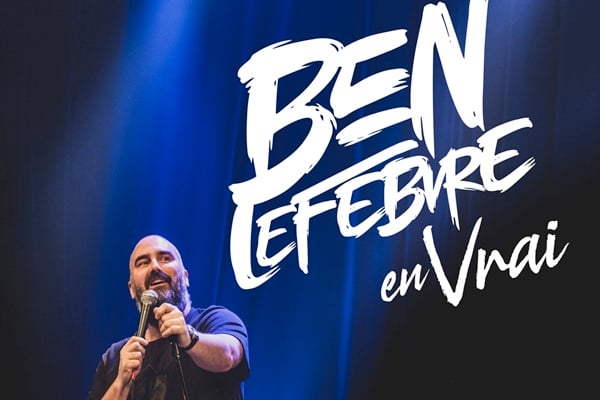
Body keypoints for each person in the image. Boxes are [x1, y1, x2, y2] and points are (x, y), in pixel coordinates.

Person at [88, 234, 250, 400]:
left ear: (185, 277)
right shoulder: (115, 356)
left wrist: (189, 339)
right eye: (143, 263)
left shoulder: (214, 320)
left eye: (165, 258)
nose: (155, 267)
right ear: (131, 289)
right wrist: (121, 382)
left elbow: (229, 356)